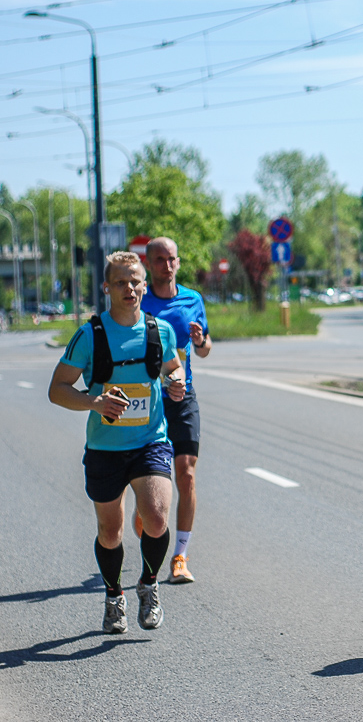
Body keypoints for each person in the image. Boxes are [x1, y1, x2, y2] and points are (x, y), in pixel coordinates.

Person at [49, 251, 186, 633]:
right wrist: (95, 401)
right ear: (107, 287)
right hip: (105, 448)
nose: (130, 288)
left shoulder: (161, 331)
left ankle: (148, 583)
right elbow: (57, 390)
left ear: (145, 285)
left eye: (136, 280)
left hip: (150, 441)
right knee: (111, 531)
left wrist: (177, 383)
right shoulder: (90, 335)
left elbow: (174, 368)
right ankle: (114, 595)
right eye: (122, 281)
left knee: (156, 519)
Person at [139, 237, 211, 584]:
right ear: (149, 264)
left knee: (186, 473)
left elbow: (206, 348)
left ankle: (180, 556)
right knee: (151, 476)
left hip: (184, 395)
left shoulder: (192, 299)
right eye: (159, 260)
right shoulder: (140, 302)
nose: (166, 265)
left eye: (171, 259)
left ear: (178, 263)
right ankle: (144, 511)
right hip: (151, 399)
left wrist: (199, 341)